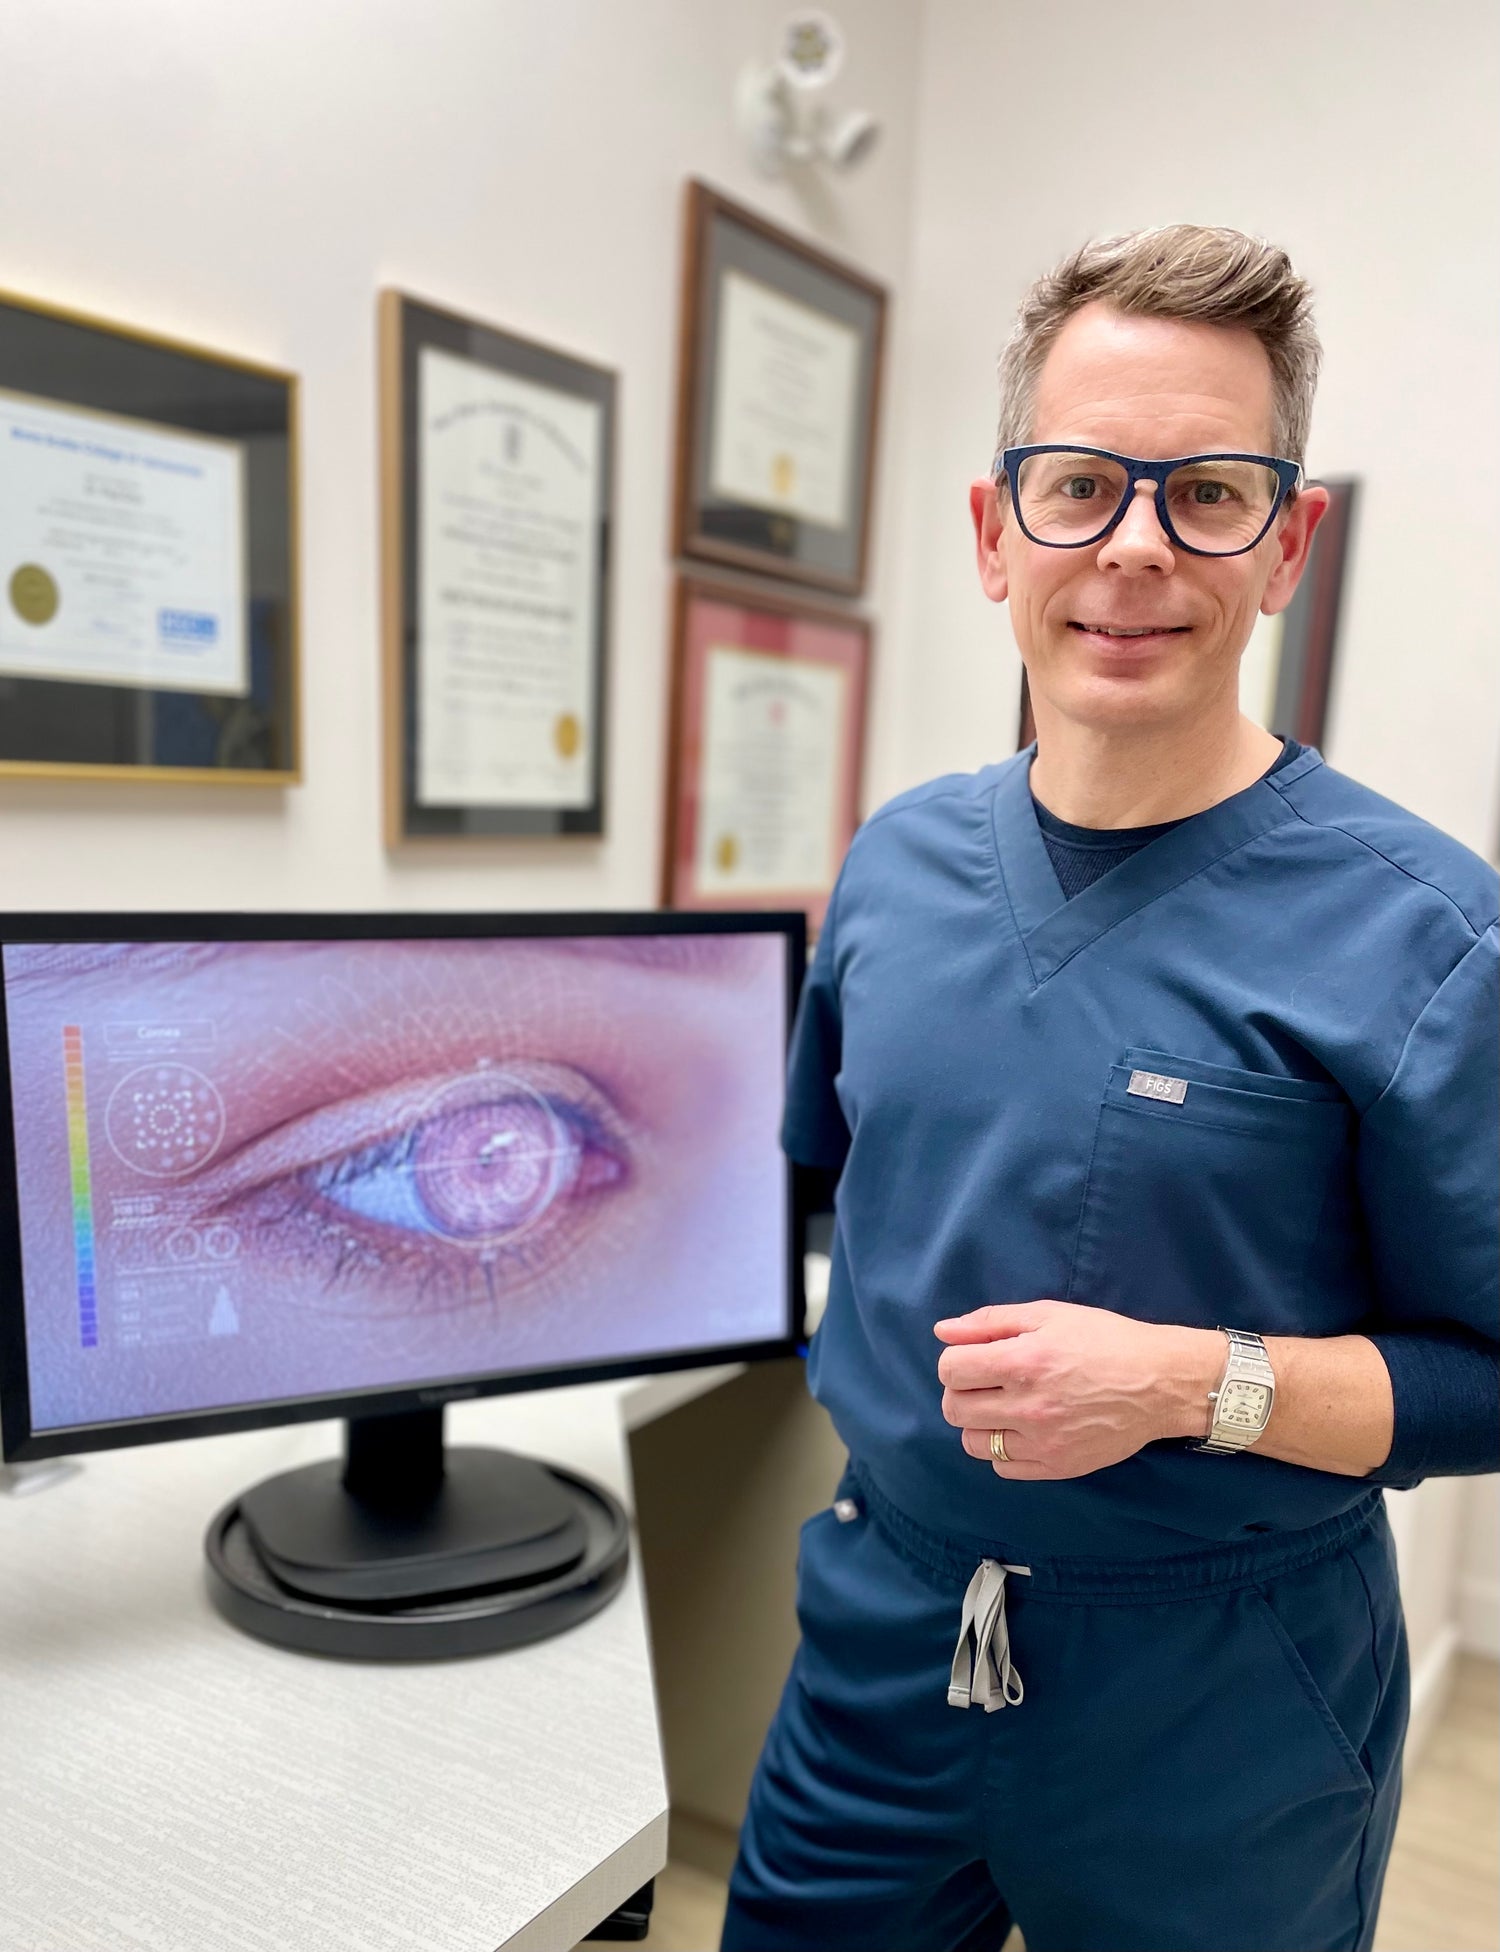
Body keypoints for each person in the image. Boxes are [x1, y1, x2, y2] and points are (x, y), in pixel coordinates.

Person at [721, 227, 1499, 1952]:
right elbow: (834, 1196)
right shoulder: (899, 865)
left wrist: (1184, 1385)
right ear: (995, 533)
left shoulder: (1434, 936)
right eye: (1079, 485)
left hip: (1221, 1697)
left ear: (1287, 543)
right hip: (880, 1641)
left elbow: (1494, 1379)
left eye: (1207, 494)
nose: (1134, 547)